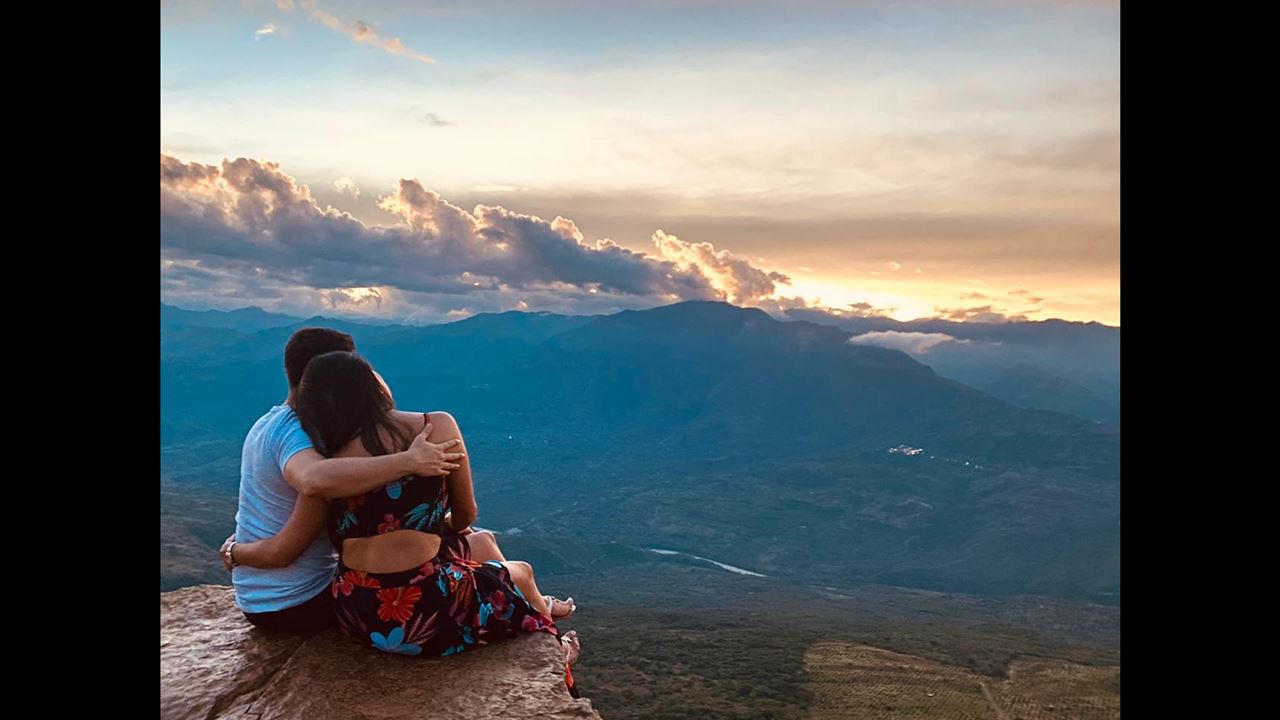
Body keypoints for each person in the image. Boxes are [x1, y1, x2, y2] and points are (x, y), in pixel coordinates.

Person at [288, 350, 581, 677]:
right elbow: (465, 515)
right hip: (423, 616)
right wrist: (436, 525)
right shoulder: (434, 427)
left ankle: (533, 611)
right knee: (522, 571)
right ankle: (554, 653)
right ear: (371, 385)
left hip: (357, 613)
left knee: (482, 542)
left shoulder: (326, 460)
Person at [218, 328, 467, 633]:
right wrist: (408, 461)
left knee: (463, 543)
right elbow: (311, 483)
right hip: (299, 601)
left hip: (260, 599)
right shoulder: (305, 436)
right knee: (464, 546)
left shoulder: (268, 423)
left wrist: (235, 551)